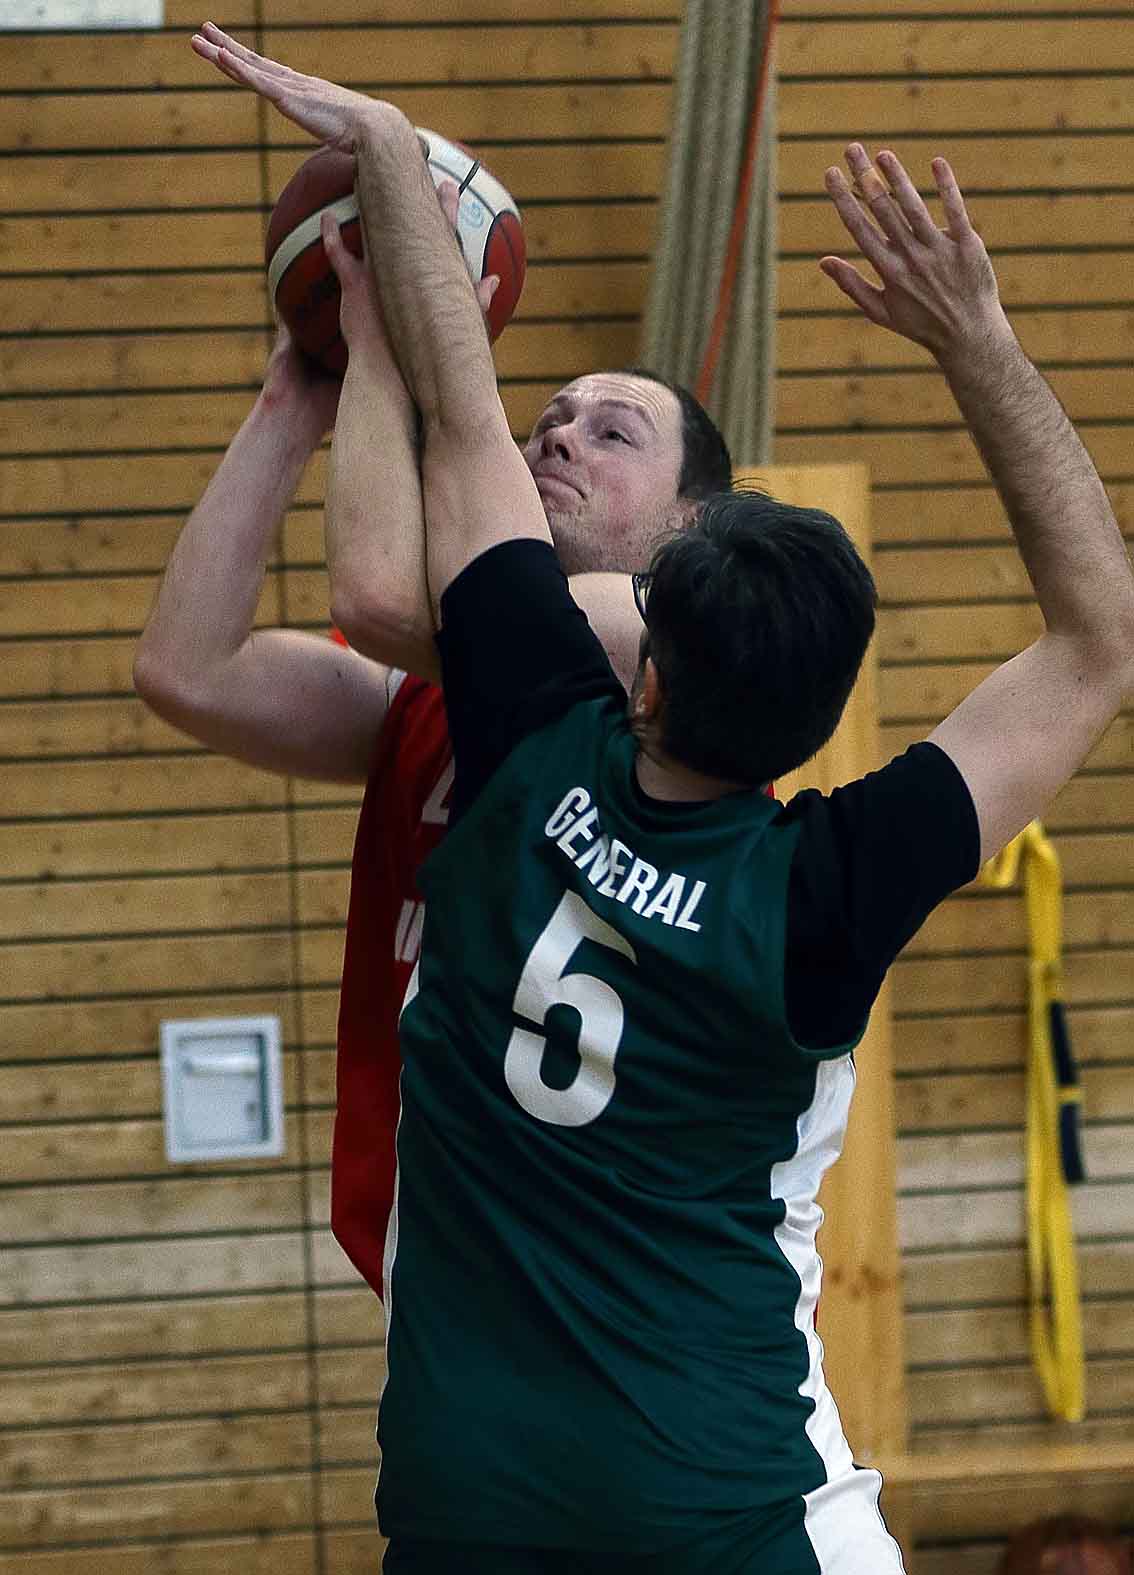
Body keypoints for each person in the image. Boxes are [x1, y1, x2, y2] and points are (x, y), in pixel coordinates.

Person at [197, 27, 1134, 1572]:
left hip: (471, 1517)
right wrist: (975, 340)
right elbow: (1097, 638)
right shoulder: (827, 888)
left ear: (637, 669)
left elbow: (466, 423)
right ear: (826, 731)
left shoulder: (522, 749)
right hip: (740, 1514)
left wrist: (390, 149)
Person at [132, 202, 732, 1297]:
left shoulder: (666, 643)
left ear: (693, 525)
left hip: (610, 1270)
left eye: (613, 434)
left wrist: (378, 345)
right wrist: (291, 401)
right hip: (452, 1261)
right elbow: (188, 668)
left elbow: (376, 595)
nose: (558, 436)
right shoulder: (434, 689)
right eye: (550, 420)